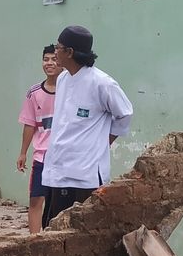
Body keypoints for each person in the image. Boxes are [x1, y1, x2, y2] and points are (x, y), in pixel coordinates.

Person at [41, 25, 134, 228]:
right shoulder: (63, 79)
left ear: (70, 52)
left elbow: (125, 113)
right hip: (59, 169)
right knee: (52, 228)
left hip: (84, 174)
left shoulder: (102, 84)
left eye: (58, 47)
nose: (54, 52)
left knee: (78, 232)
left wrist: (105, 141)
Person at [17, 45, 62, 234]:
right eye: (46, 59)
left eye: (54, 59)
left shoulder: (71, 90)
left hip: (63, 155)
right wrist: (23, 153)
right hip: (41, 156)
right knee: (36, 199)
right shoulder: (34, 93)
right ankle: (34, 240)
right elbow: (30, 124)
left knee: (60, 201)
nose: (49, 63)